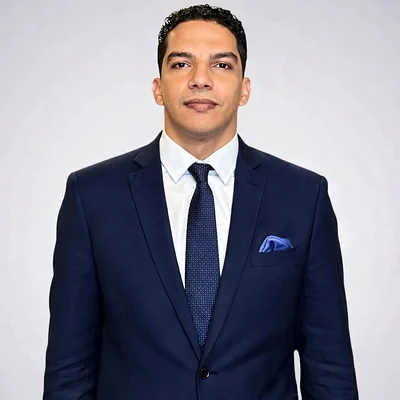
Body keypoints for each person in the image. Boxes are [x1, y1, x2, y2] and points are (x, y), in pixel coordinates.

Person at [43, 4, 359, 399]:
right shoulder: (92, 196)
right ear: (158, 88)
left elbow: (329, 366)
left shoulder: (302, 196)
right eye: (181, 64)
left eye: (221, 65)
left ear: (245, 89)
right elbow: (69, 368)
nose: (200, 80)